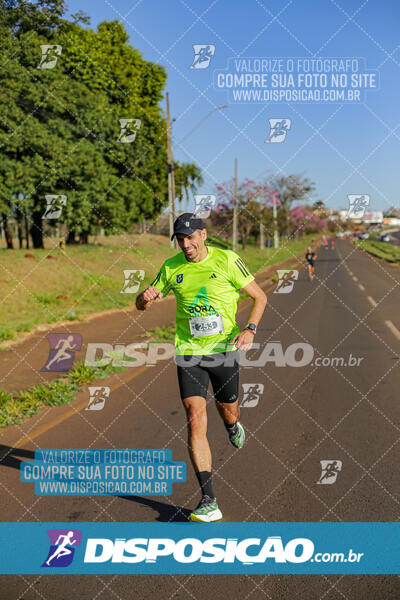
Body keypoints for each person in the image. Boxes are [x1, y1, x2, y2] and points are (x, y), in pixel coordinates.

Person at [136, 214, 267, 522]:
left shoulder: (228, 260)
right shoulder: (171, 267)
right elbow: (142, 304)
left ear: (203, 235)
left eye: (189, 237)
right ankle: (209, 498)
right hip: (189, 353)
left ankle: (233, 426)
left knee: (228, 410)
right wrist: (143, 298)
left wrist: (249, 329)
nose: (185, 244)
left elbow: (259, 297)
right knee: (195, 420)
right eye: (180, 239)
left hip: (224, 351)